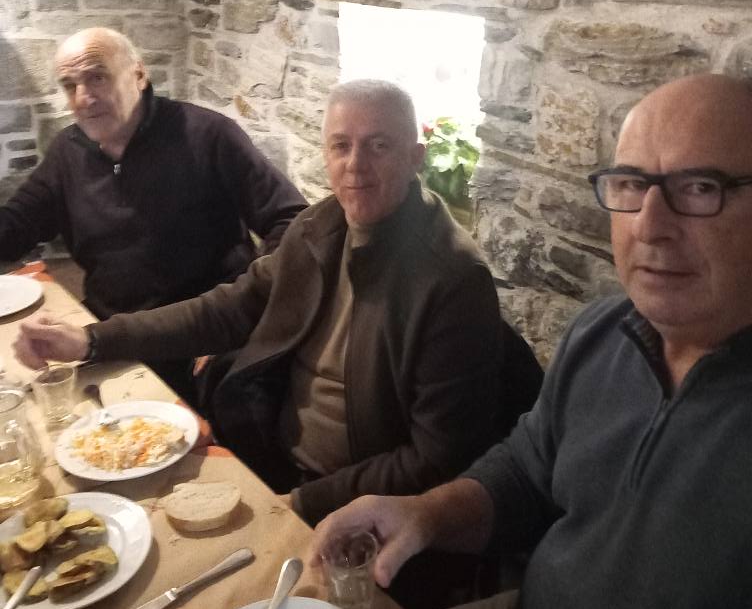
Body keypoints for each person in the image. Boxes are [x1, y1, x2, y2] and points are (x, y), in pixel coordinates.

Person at [310, 72, 752, 609]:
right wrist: (424, 514)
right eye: (631, 184)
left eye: (700, 188)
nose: (650, 225)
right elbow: (524, 472)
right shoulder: (604, 332)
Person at [14, 79, 543, 532]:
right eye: (341, 146)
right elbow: (225, 310)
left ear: (416, 158)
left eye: (379, 145)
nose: (355, 165)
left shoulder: (451, 280)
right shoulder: (320, 227)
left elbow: (436, 459)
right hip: (265, 450)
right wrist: (92, 339)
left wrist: (301, 504)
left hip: (350, 506)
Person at [1, 27, 307, 397]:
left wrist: (242, 313)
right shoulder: (69, 150)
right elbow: (16, 226)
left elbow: (291, 220)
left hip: (197, 339)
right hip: (107, 331)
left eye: (97, 77)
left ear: (139, 74)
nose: (83, 98)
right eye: (70, 85)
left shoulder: (207, 135)